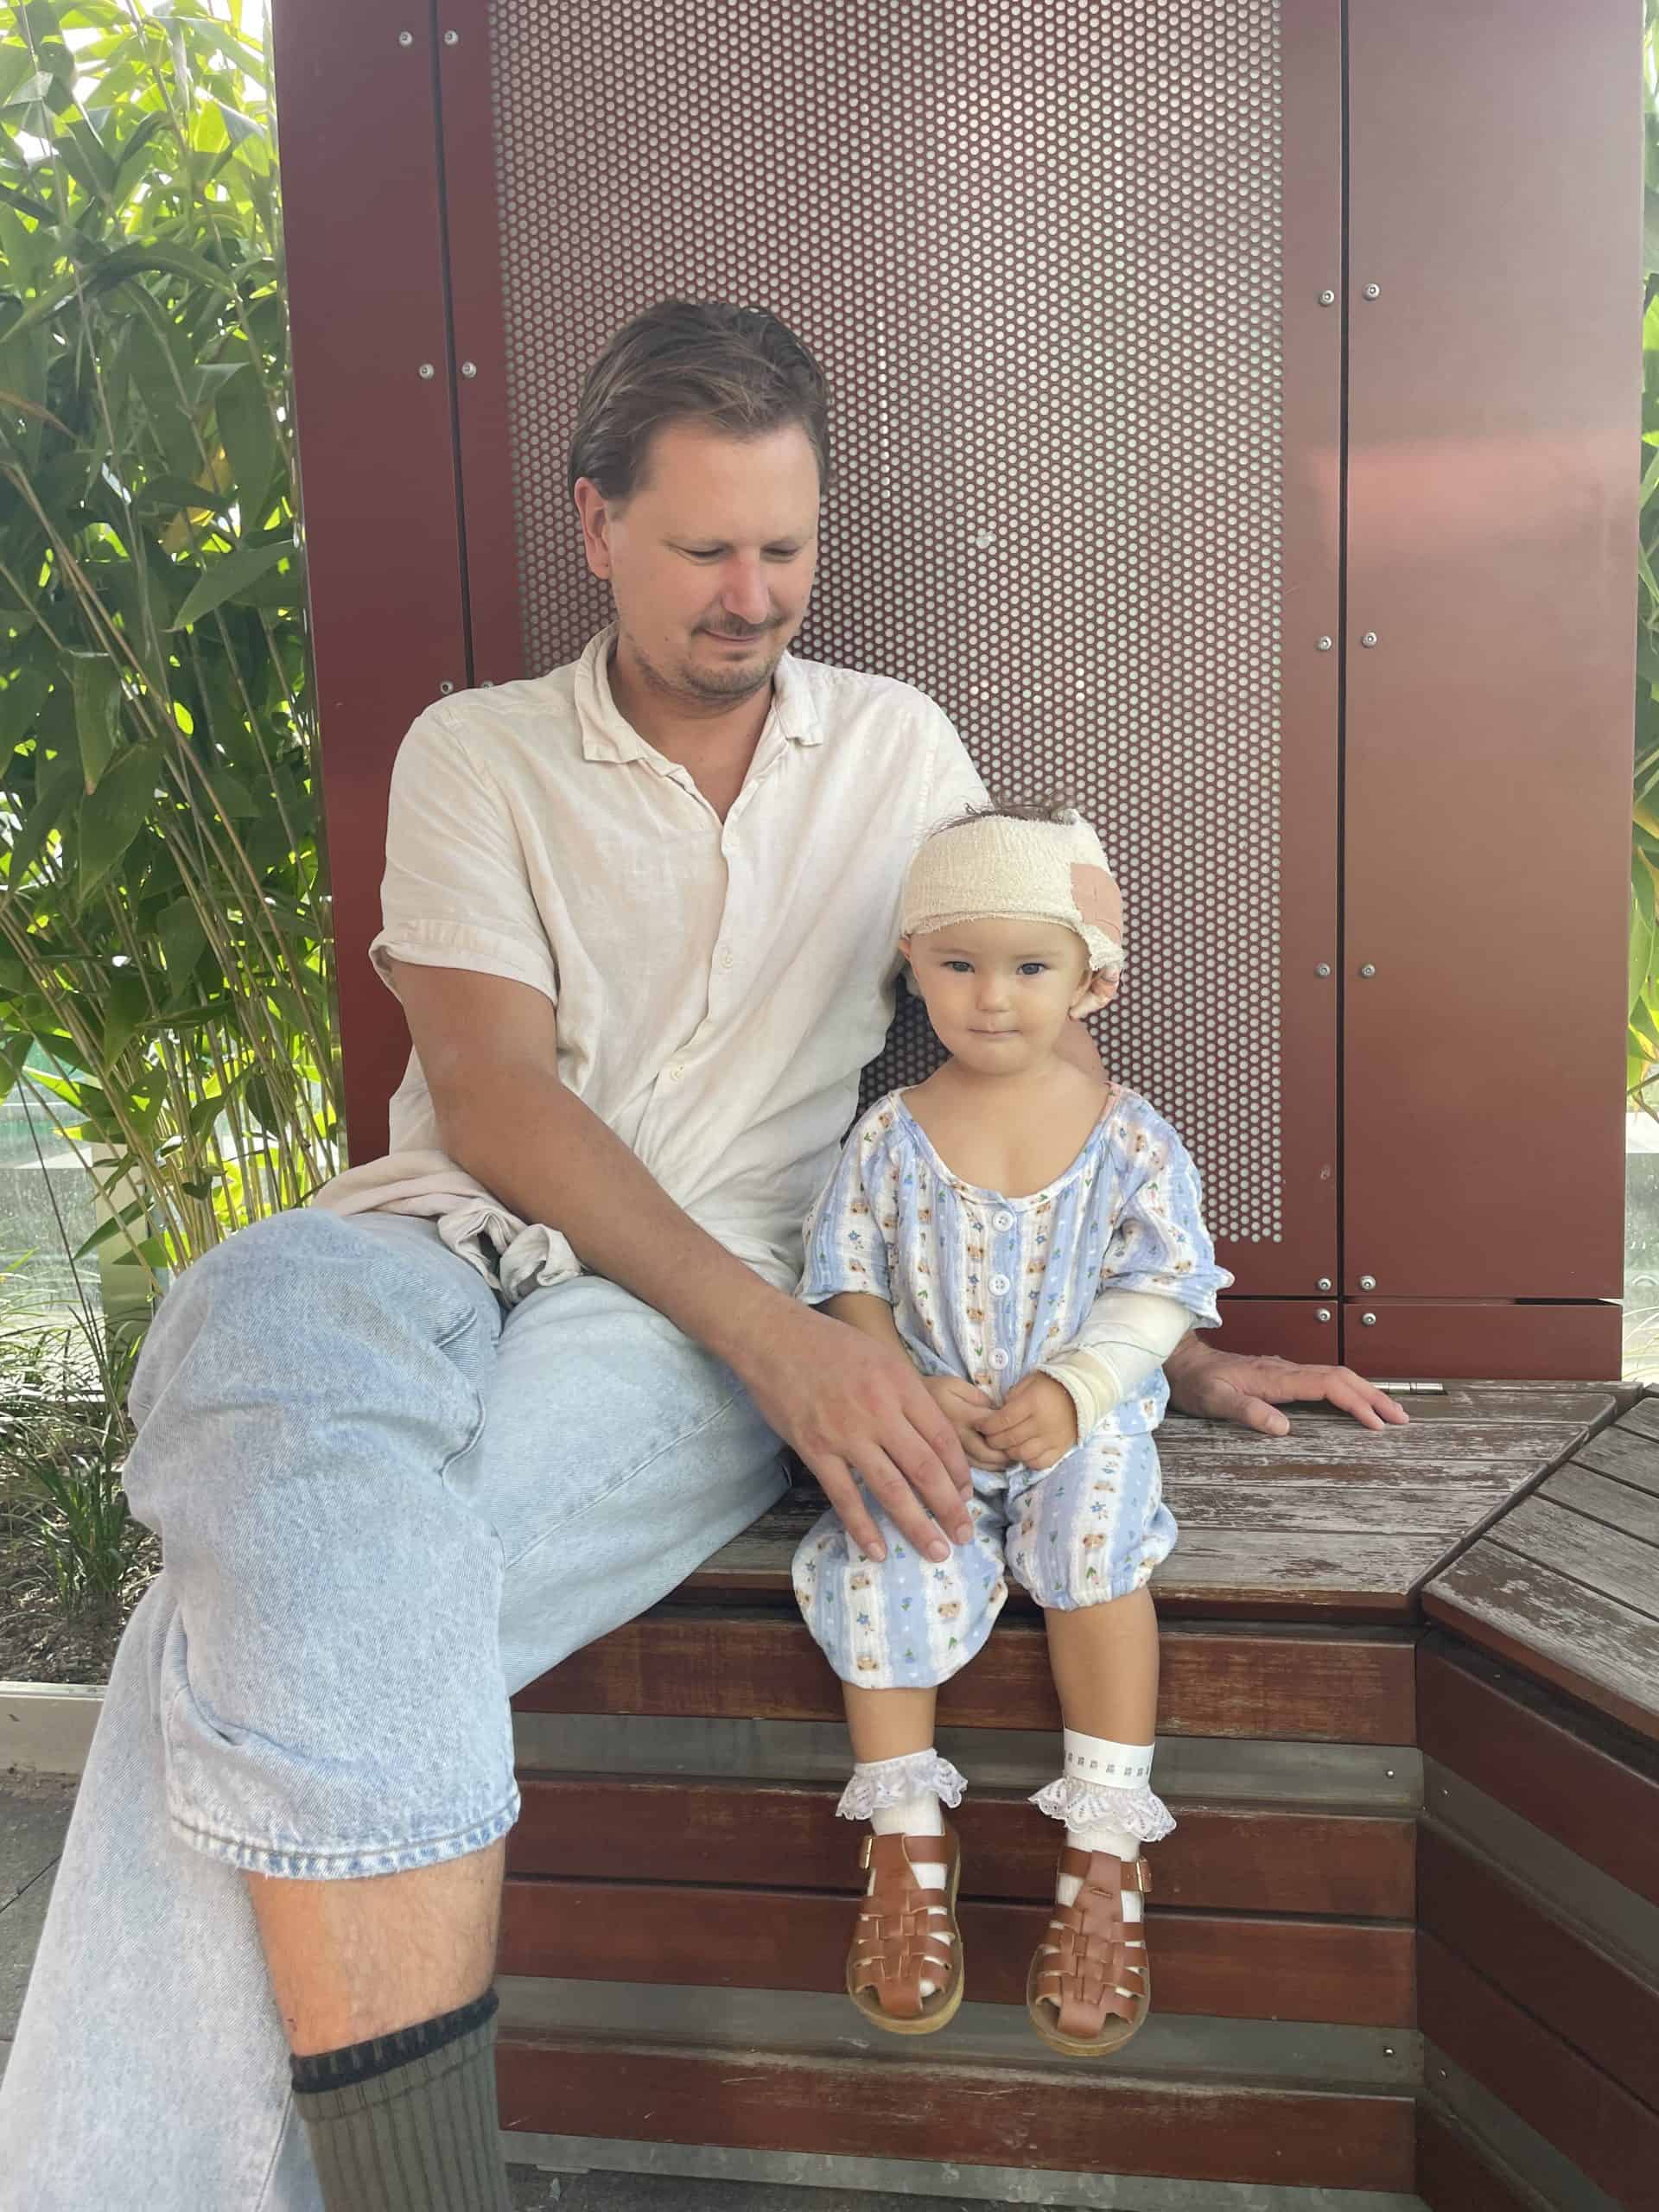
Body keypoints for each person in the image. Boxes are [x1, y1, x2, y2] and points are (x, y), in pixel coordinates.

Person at [0, 301, 1406, 2212]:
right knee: (258, 1330)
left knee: (230, 1632)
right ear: (595, 528)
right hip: (437, 1241)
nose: (753, 593)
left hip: (674, 1324)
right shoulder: (476, 752)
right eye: (704, 548)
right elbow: (487, 1098)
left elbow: (1032, 1050)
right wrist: (794, 1343)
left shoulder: (899, 748)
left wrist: (1159, 1343)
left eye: (787, 546)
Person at [793, 800, 1226, 2053]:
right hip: (933, 1416)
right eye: (959, 965)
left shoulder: (1130, 1138)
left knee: (1094, 1538)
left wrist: (1078, 1388)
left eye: (1030, 967)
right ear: (913, 969)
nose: (993, 999)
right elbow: (847, 1278)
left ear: (1090, 980)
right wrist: (897, 1383)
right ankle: (906, 1850)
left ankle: (1103, 1847)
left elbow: (1162, 1289)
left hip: (1071, 1423)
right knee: (884, 1538)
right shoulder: (889, 1137)